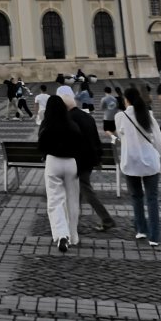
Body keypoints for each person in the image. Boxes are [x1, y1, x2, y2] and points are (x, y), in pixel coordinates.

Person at [58, 86, 115, 232]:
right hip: (90, 159)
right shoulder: (88, 117)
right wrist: (99, 157)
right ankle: (74, 221)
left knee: (86, 191)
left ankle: (106, 219)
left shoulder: (68, 119)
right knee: (79, 192)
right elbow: (96, 139)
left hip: (78, 161)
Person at [115, 85, 161, 247]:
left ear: (126, 100)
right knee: (152, 199)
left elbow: (122, 139)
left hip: (130, 162)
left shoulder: (120, 117)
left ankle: (140, 230)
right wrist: (159, 157)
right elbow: (158, 141)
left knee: (136, 197)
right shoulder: (148, 115)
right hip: (150, 162)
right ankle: (154, 236)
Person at [37, 94, 82, 253]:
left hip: (53, 162)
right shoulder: (73, 125)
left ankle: (62, 235)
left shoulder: (46, 124)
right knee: (72, 199)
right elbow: (79, 146)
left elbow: (41, 145)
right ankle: (74, 236)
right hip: (71, 163)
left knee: (55, 201)